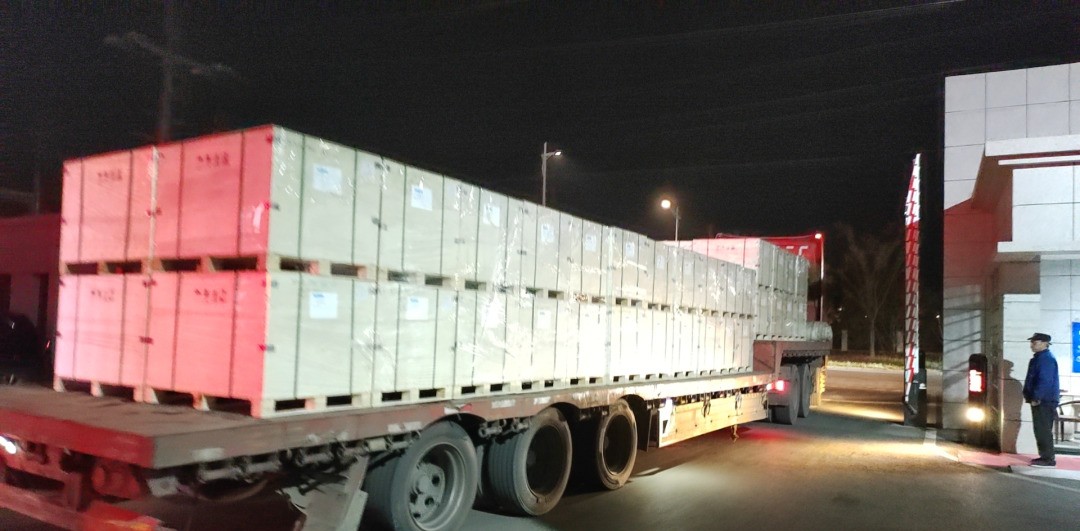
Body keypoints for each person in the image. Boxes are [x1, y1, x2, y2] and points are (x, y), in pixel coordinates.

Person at [1022, 332, 1060, 467]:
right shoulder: (1040, 358)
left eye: (1035, 342)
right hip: (1042, 399)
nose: (1031, 345)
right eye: (1031, 342)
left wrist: (1037, 396)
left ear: (1045, 343)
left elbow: (1045, 380)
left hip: (1044, 400)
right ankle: (1045, 456)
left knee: (1043, 429)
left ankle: (1048, 458)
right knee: (1040, 428)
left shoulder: (1045, 359)